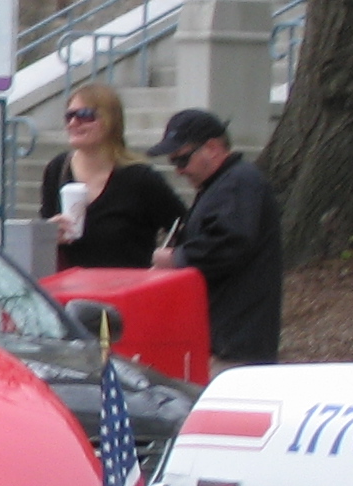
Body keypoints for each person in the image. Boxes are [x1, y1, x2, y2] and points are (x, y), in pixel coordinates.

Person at [150, 108, 284, 370]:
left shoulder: (238, 183)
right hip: (225, 337)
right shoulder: (223, 185)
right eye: (174, 163)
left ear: (212, 148)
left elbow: (230, 243)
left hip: (234, 344)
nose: (179, 171)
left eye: (182, 160)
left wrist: (176, 258)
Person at [40, 82, 181, 269]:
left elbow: (182, 227)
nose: (73, 123)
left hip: (127, 284)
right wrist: (49, 233)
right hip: (68, 284)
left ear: (110, 121)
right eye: (69, 116)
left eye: (85, 115)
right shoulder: (57, 169)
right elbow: (41, 234)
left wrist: (166, 262)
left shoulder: (139, 178)